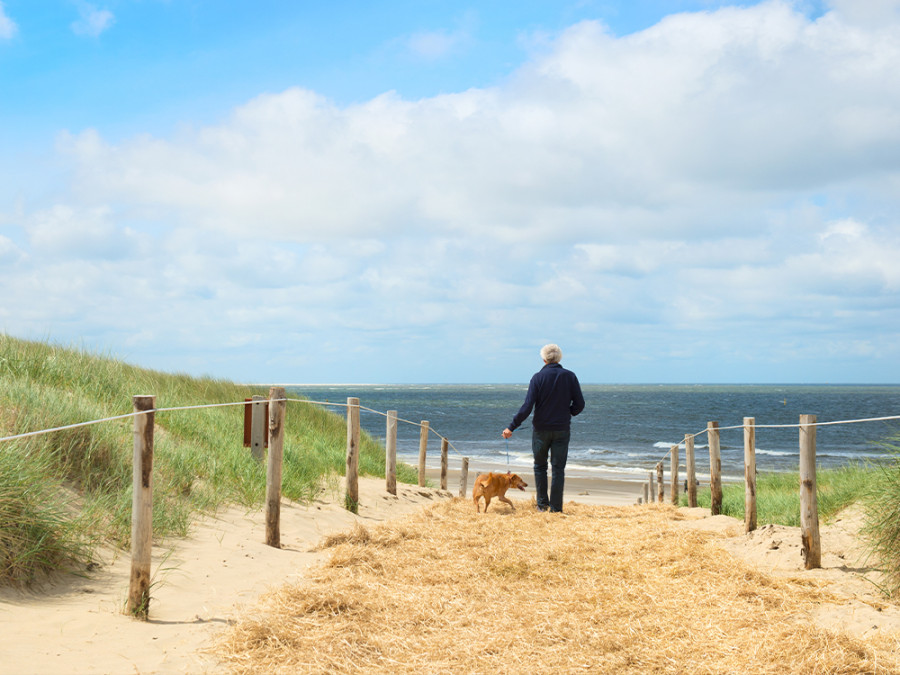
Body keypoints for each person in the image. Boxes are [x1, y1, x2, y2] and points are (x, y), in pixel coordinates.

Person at [502, 344, 585, 513]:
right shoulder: (570, 376)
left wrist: (511, 427)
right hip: (562, 429)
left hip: (541, 430)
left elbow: (527, 407)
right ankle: (555, 509)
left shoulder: (538, 377)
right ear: (559, 358)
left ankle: (542, 505)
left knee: (540, 467)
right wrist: (568, 413)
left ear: (544, 359)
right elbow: (580, 404)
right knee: (558, 469)